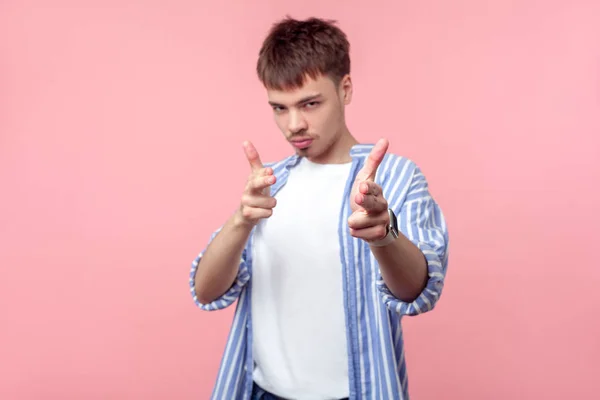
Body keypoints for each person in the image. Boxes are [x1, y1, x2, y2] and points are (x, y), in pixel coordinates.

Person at [189, 16, 449, 400]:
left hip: (357, 392)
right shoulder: (270, 182)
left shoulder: (395, 177)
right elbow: (206, 292)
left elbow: (416, 292)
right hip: (260, 391)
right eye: (279, 108)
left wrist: (384, 234)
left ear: (345, 89)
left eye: (310, 104)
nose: (294, 124)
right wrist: (241, 221)